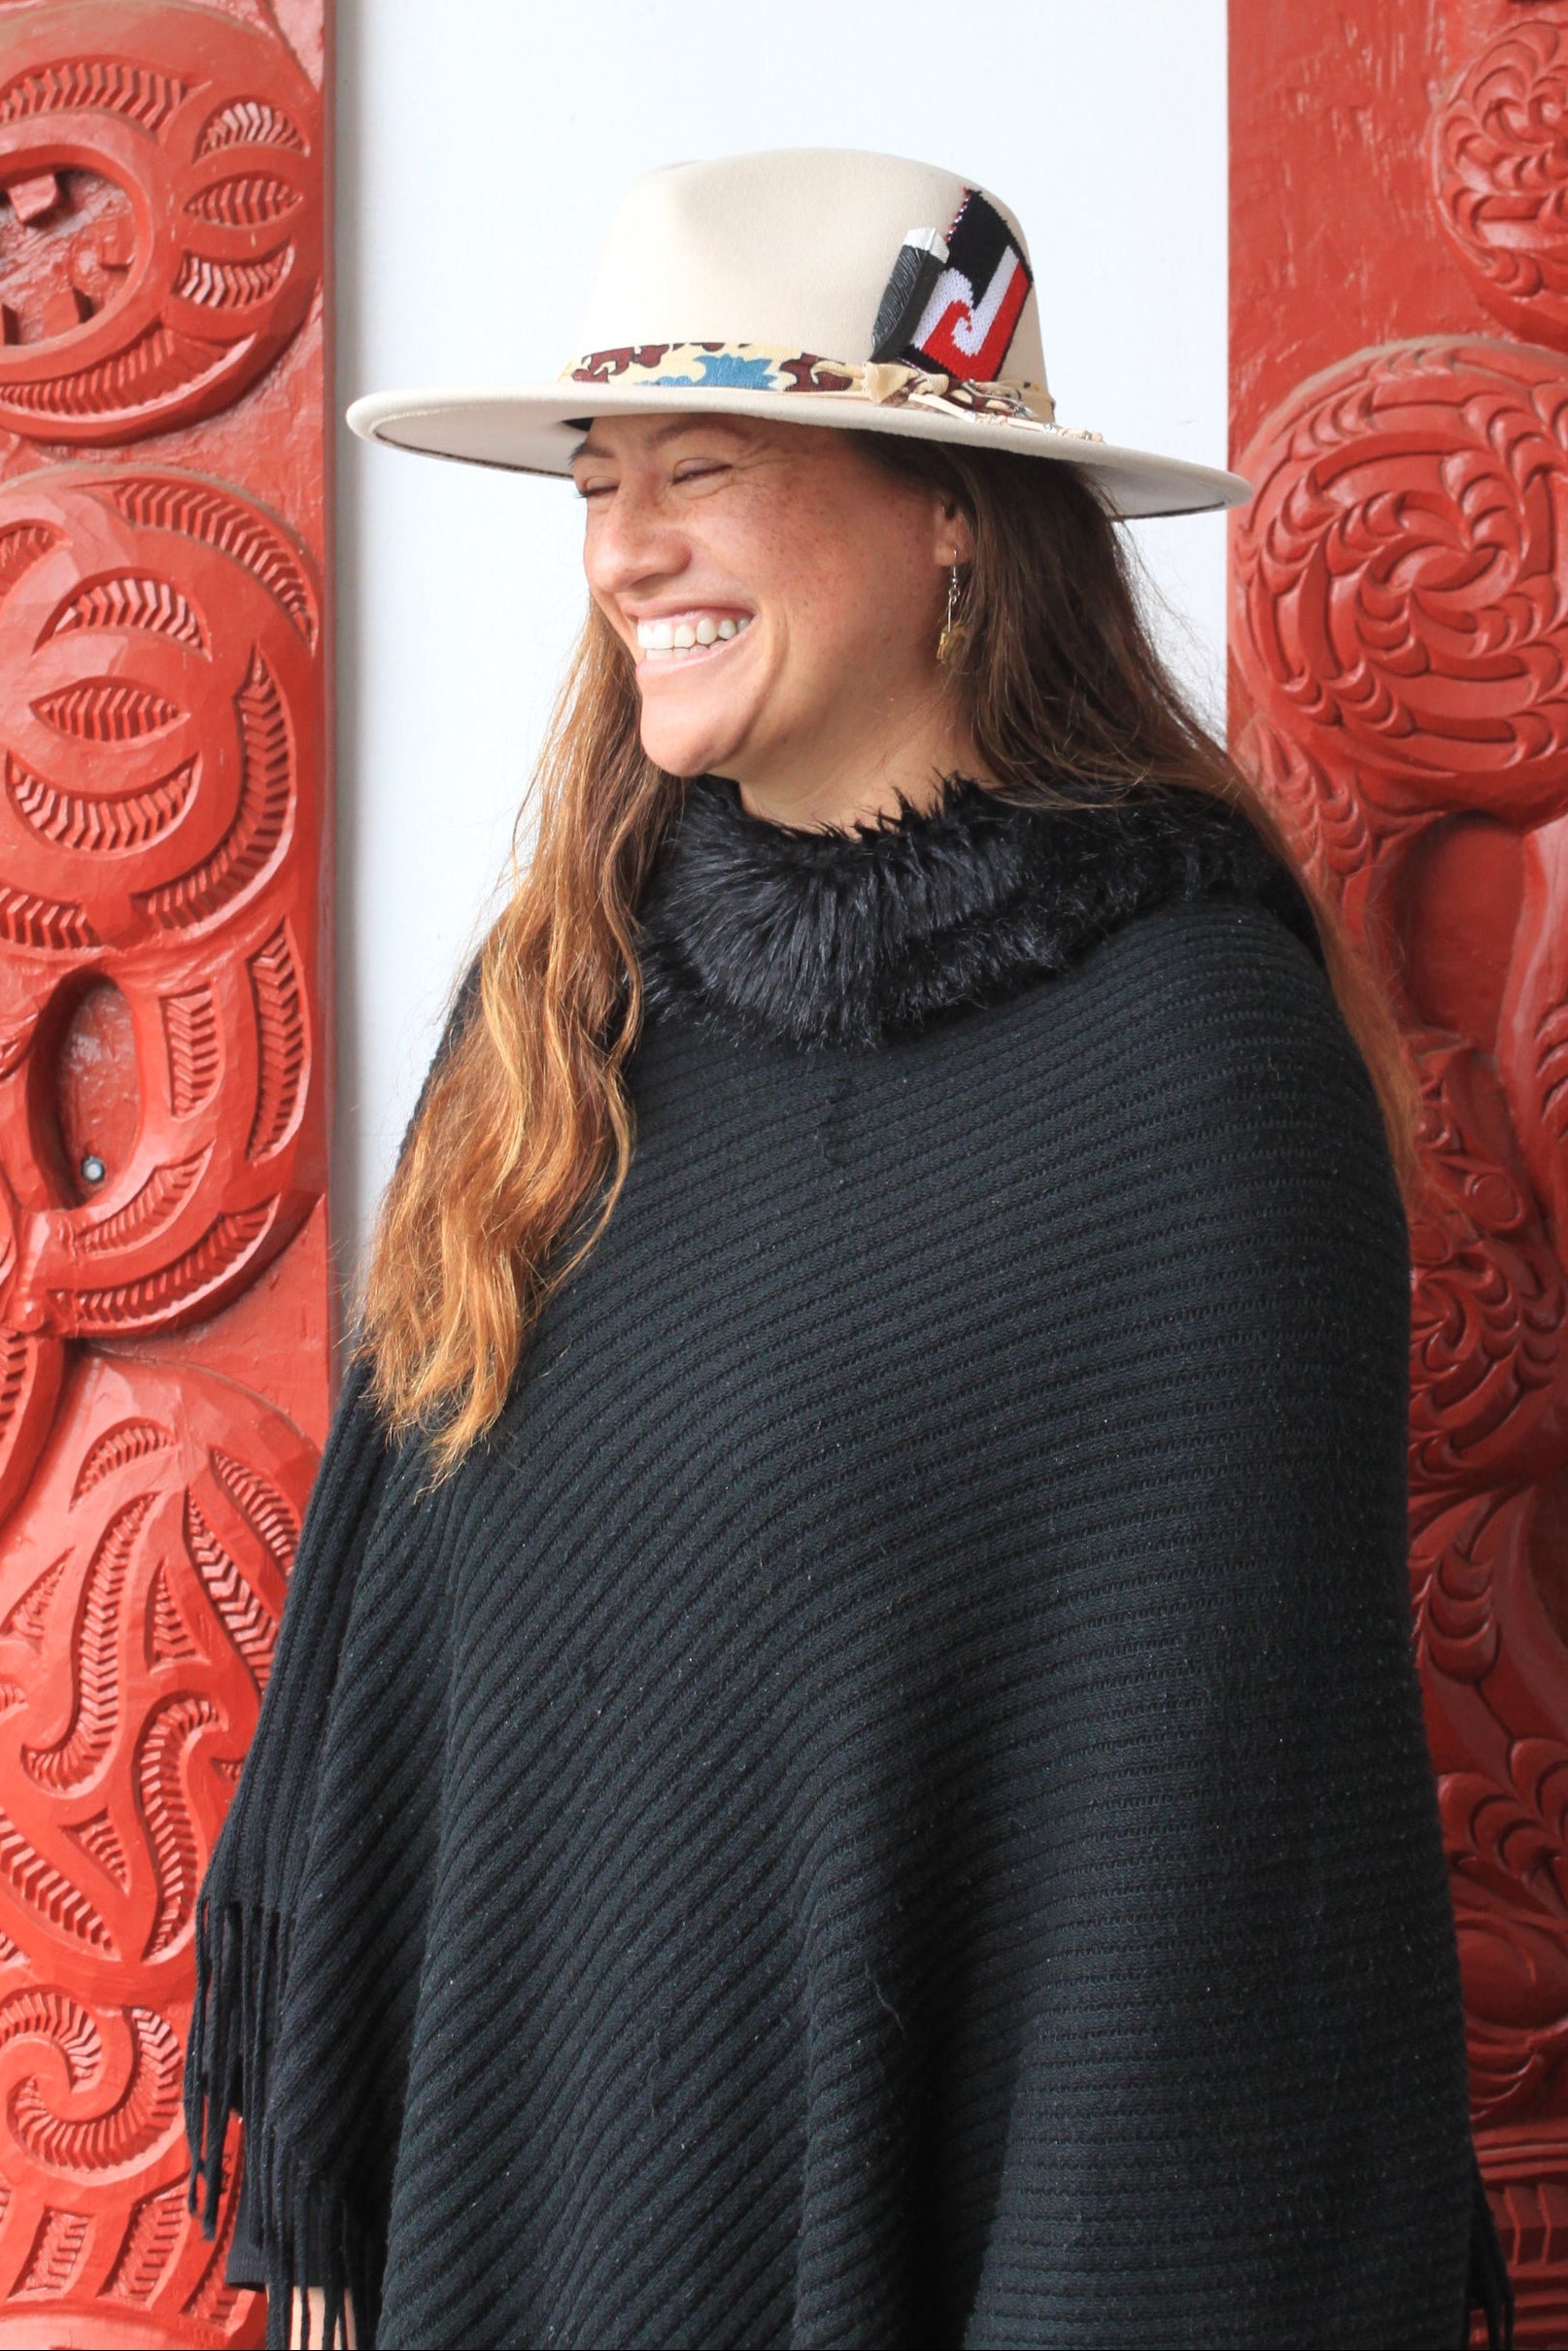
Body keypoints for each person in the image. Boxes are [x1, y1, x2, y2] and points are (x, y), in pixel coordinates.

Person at [185, 149, 1510, 2351]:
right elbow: (408, 1690)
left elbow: (1210, 1902)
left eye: (702, 469)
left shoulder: (1193, 1069)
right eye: (598, 481)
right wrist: (356, 2177)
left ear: (954, 513)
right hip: (522, 2229)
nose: (624, 549)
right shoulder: (562, 1007)